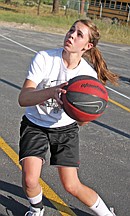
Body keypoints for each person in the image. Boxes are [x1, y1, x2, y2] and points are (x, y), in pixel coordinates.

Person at [18, 19, 118, 216]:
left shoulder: (87, 77)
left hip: (64, 129)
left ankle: (107, 214)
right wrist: (52, 91)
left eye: (79, 34)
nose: (71, 35)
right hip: (35, 125)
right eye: (72, 30)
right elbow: (23, 98)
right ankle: (36, 208)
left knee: (71, 185)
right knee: (30, 180)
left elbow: (83, 120)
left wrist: (80, 112)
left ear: (87, 46)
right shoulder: (45, 58)